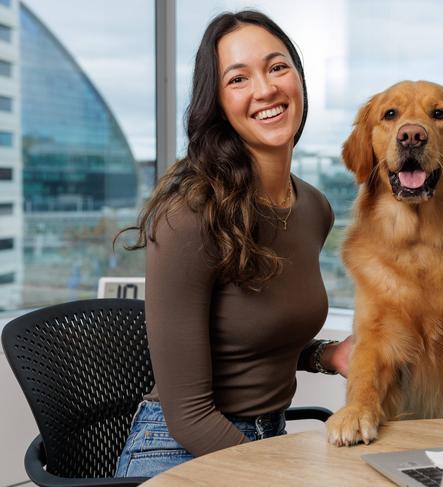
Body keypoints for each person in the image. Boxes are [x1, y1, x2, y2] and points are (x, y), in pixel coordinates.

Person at [113, 10, 351, 478]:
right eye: (238, 78)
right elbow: (188, 415)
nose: (265, 89)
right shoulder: (189, 215)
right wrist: (273, 474)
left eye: (277, 67)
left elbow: (253, 336)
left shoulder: (314, 208)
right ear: (218, 103)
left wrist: (328, 355)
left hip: (266, 439)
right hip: (177, 450)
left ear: (299, 78)